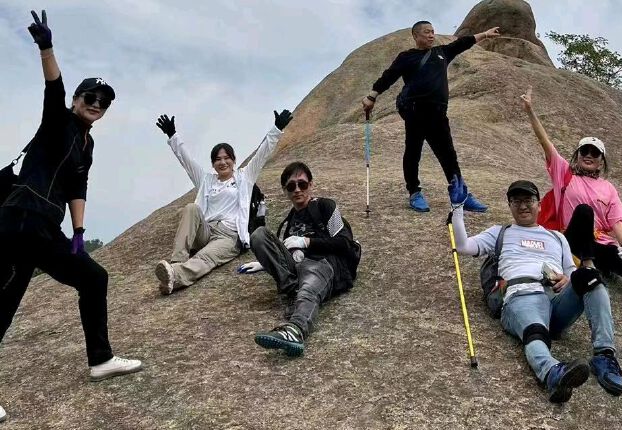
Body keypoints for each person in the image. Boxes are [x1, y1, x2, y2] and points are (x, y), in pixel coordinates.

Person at [0, 11, 142, 421]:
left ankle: (100, 359)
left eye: (103, 102)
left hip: (45, 228)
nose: (96, 104)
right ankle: (100, 358)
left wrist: (79, 232)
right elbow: (53, 87)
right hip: (20, 220)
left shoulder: (86, 144)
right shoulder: (58, 120)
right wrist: (46, 47)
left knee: (92, 278)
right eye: (90, 98)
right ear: (76, 100)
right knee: (5, 304)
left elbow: (78, 186)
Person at [520, 86, 622, 325]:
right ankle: (589, 266)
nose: (589, 155)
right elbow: (546, 143)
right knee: (585, 211)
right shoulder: (565, 174)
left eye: (595, 153)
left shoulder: (608, 188)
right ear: (577, 155)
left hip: (599, 244)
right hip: (571, 241)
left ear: (601, 161)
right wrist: (530, 111)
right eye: (584, 151)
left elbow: (615, 219)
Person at [450, 178, 622, 402]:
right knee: (534, 328)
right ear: (510, 206)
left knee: (590, 277)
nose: (523, 206)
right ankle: (552, 373)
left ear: (539, 205)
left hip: (556, 300)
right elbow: (463, 246)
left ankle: (604, 355)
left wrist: (567, 279)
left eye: (529, 200)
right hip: (521, 294)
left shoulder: (557, 237)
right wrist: (457, 209)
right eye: (516, 201)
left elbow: (571, 272)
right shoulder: (500, 232)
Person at [362, 20, 499, 213]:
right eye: (427, 32)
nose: (431, 35)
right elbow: (389, 76)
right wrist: (372, 96)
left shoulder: (442, 52)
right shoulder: (406, 57)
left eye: (433, 31)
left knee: (448, 155)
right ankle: (414, 193)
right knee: (413, 153)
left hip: (438, 113)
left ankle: (460, 194)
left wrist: (484, 34)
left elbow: (462, 43)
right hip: (415, 112)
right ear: (415, 36)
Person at [153, 109, 292, 295]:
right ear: (213, 164)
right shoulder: (206, 180)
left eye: (227, 158)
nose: (223, 162)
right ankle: (177, 262)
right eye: (218, 159)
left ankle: (175, 276)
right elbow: (186, 161)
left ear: (234, 160)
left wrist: (277, 128)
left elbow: (262, 154)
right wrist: (172, 135)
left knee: (206, 257)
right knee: (191, 208)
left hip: (228, 236)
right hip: (206, 230)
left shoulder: (244, 177)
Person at [238, 162, 359, 357]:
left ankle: (295, 330)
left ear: (311, 185)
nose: (297, 190)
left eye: (302, 184)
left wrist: (307, 242)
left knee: (309, 287)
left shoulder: (326, 206)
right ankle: (294, 291)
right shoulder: (289, 221)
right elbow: (286, 250)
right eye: (291, 186)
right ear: (285, 190)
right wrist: (265, 263)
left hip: (321, 263)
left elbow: (345, 242)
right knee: (259, 235)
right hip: (296, 267)